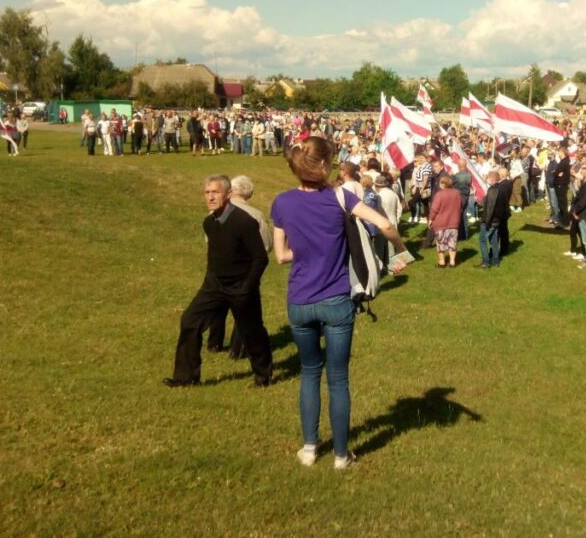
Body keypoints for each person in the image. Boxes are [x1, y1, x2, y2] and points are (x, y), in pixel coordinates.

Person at [271, 138, 409, 469]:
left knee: (308, 372)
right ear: (324, 165)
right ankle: (341, 455)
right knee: (338, 378)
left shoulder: (281, 203)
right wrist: (401, 251)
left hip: (299, 301)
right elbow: (385, 225)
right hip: (335, 301)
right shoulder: (340, 197)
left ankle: (308, 449)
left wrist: (305, 252)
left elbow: (280, 256)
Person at [165, 175, 273, 388]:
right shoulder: (209, 223)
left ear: (228, 195)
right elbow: (215, 256)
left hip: (242, 286)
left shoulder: (244, 222)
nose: (210, 197)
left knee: (252, 331)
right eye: (207, 193)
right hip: (214, 285)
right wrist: (210, 281)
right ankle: (185, 377)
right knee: (189, 322)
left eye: (215, 192)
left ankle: (263, 375)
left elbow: (260, 258)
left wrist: (247, 287)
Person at [207, 175, 274, 357]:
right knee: (245, 308)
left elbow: (209, 237)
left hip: (217, 268)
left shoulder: (216, 212)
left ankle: (214, 342)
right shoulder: (256, 215)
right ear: (249, 193)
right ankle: (238, 348)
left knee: (218, 305)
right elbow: (266, 245)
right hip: (246, 270)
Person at [428, 175, 462, 268]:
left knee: (440, 243)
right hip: (454, 222)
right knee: (452, 243)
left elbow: (434, 209)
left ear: (443, 184)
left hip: (441, 223)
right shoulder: (457, 193)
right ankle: (452, 262)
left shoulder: (439, 194)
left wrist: (430, 219)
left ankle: (442, 262)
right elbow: (460, 206)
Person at [477, 170, 503, 269]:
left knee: (482, 240)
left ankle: (486, 262)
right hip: (497, 220)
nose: (487, 179)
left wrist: (487, 222)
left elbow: (491, 207)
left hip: (490, 220)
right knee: (494, 241)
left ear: (492, 179)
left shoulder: (492, 190)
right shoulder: (501, 188)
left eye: (489, 177)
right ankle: (496, 261)